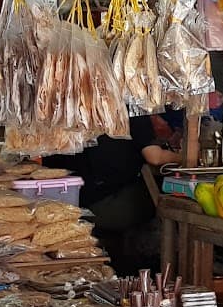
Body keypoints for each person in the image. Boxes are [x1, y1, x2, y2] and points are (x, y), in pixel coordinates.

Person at [46, 114, 181, 275]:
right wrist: (187, 156)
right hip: (102, 205)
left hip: (65, 200)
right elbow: (155, 157)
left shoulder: (82, 106)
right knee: (167, 196)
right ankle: (158, 268)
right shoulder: (133, 110)